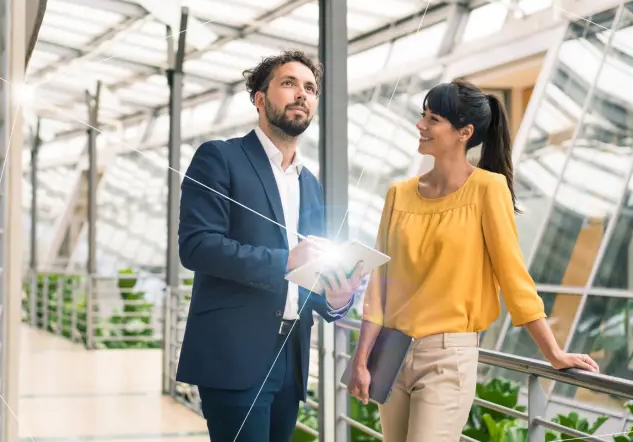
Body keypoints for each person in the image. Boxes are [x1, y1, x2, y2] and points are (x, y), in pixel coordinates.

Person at [347, 78, 600, 442]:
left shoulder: (488, 189)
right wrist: (361, 358)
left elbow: (514, 278)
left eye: (433, 118)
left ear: (464, 132)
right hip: (392, 351)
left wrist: (554, 352)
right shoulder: (397, 194)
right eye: (423, 115)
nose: (420, 125)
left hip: (448, 358)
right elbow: (379, 284)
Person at [175, 50, 368, 442]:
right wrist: (284, 261)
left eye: (310, 88)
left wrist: (336, 296)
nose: (302, 94)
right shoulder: (220, 158)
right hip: (234, 357)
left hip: (291, 360)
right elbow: (197, 246)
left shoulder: (309, 182)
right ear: (260, 99)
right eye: (289, 83)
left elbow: (311, 274)